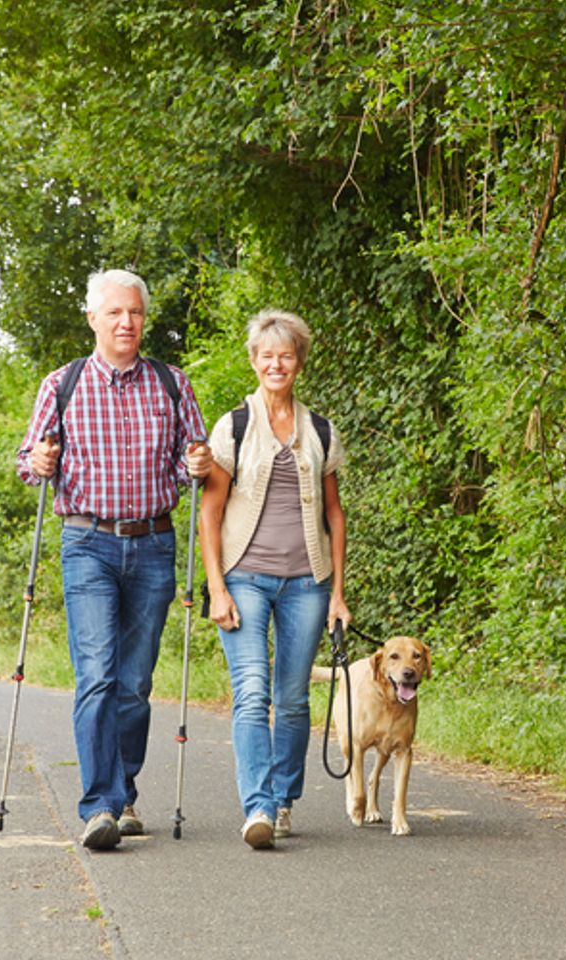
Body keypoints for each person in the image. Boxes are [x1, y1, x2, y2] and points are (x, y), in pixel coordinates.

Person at [17, 268, 211, 852]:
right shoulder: (63, 383)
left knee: (135, 684)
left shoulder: (172, 384)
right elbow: (30, 462)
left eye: (135, 313)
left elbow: (192, 461)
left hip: (153, 543)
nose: (127, 323)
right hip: (87, 543)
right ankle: (99, 805)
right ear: (93, 318)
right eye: (115, 313)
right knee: (97, 676)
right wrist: (40, 462)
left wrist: (198, 465)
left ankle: (125, 793)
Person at [199, 309, 349, 849]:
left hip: (307, 583)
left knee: (291, 698)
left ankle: (283, 799)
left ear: (299, 362)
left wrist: (337, 593)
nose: (276, 364)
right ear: (254, 361)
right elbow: (210, 513)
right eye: (266, 355)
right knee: (251, 692)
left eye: (286, 355)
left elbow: (335, 514)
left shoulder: (321, 431)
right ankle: (257, 808)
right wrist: (216, 588)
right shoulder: (233, 426)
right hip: (244, 579)